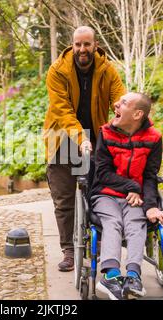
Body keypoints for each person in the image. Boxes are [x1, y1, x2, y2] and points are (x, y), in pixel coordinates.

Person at [43, 26, 126, 272]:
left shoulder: (107, 70)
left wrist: (126, 117)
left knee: (99, 194)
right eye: (78, 44)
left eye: (87, 44)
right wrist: (81, 138)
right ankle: (69, 250)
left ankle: (98, 244)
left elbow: (119, 99)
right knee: (65, 199)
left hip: (97, 139)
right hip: (62, 139)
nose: (82, 49)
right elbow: (62, 111)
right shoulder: (58, 70)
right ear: (72, 45)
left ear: (95, 45)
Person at [90, 92, 163, 300]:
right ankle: (112, 276)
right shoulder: (105, 134)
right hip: (105, 194)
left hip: (136, 198)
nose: (116, 104)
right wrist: (132, 185)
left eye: (123, 103)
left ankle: (133, 276)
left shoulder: (154, 138)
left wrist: (151, 206)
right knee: (113, 221)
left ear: (137, 114)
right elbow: (102, 174)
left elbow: (150, 176)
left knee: (136, 221)